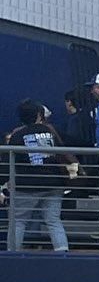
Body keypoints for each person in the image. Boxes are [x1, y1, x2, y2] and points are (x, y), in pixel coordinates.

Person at [4, 98, 75, 252]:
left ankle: (12, 255)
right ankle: (63, 253)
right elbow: (63, 152)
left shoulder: (17, 135)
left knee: (19, 221)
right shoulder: (50, 131)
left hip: (27, 186)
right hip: (54, 183)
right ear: (38, 114)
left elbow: (9, 160)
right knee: (53, 220)